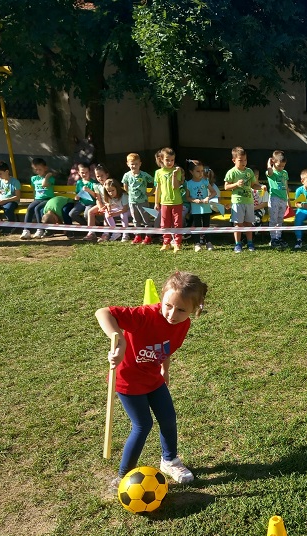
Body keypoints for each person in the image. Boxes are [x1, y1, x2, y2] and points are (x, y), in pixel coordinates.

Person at [95, 271, 208, 487]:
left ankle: (169, 460)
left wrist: (165, 370)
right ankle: (123, 476)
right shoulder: (144, 316)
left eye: (181, 310)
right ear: (162, 297)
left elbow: (165, 347)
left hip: (153, 377)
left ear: (196, 309)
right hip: (128, 380)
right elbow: (103, 313)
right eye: (168, 305)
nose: (172, 314)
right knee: (143, 424)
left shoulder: (183, 325)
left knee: (168, 418)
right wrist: (119, 343)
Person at [224, 147, 261, 253]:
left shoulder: (249, 171)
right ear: (234, 160)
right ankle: (237, 244)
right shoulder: (232, 172)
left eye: (245, 160)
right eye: (240, 160)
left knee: (249, 223)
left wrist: (261, 187)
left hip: (249, 202)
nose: (243, 162)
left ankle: (250, 243)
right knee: (238, 224)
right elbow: (226, 186)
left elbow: (254, 185)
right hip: (237, 202)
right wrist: (236, 184)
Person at [154, 147, 186, 252]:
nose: (170, 162)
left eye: (172, 160)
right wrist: (156, 202)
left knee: (177, 223)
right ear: (161, 159)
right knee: (164, 224)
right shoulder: (158, 172)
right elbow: (158, 189)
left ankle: (177, 243)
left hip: (177, 202)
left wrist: (175, 175)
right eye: (167, 160)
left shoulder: (177, 171)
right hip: (164, 202)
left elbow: (175, 187)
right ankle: (166, 243)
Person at [122, 153, 155, 245]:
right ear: (128, 164)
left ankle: (148, 236)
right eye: (132, 164)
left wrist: (151, 193)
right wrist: (130, 193)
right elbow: (125, 186)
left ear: (140, 163)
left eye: (136, 164)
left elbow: (155, 182)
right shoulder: (127, 175)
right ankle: (138, 236)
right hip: (132, 202)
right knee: (135, 219)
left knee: (146, 219)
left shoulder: (144, 175)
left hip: (143, 201)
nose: (134, 166)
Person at [21, 158, 55, 240]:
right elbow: (34, 190)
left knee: (38, 209)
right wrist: (34, 199)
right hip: (37, 199)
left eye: (40, 169)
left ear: (45, 168)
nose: (38, 171)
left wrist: (46, 177)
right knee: (30, 208)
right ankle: (26, 230)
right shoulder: (34, 179)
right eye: (36, 169)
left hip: (48, 199)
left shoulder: (50, 178)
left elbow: (44, 185)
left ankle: (40, 229)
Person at [186, 160, 213, 252]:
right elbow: (187, 197)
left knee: (206, 226)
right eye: (198, 171)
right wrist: (194, 200)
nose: (201, 173)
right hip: (196, 209)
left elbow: (213, 192)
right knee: (197, 226)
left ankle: (208, 242)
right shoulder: (189, 183)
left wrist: (207, 198)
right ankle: (197, 243)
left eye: (202, 171)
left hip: (206, 208)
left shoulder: (205, 182)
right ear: (191, 172)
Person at [0, 161, 21, 235]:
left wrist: (5, 200)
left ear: (7, 171)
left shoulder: (15, 182)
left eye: (0, 174)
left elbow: (17, 197)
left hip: (11, 201)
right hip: (0, 201)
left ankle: (11, 226)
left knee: (8, 209)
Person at [265, 150, 289, 247]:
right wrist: (269, 163)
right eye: (279, 165)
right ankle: (273, 238)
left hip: (283, 199)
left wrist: (288, 200)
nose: (281, 168)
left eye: (283, 166)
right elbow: (269, 171)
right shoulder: (271, 172)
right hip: (274, 198)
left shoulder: (284, 173)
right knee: (273, 219)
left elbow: (286, 186)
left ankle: (278, 237)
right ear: (273, 162)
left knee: (280, 219)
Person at [84, 164, 111, 241]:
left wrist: (105, 207)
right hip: (102, 204)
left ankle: (106, 234)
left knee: (106, 214)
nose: (100, 178)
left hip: (111, 204)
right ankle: (91, 232)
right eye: (97, 176)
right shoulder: (96, 186)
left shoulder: (111, 184)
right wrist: (100, 207)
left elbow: (113, 198)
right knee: (90, 212)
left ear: (107, 174)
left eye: (101, 175)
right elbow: (98, 198)